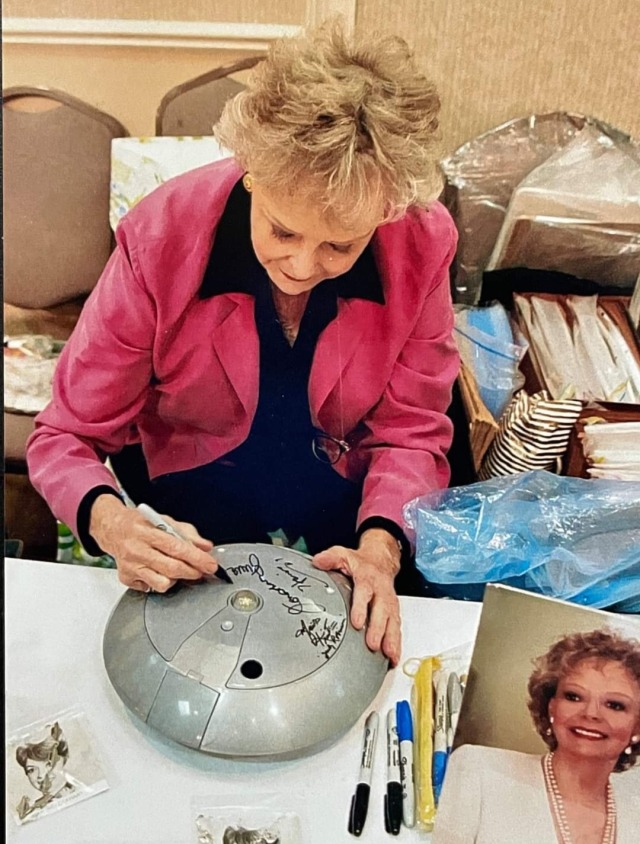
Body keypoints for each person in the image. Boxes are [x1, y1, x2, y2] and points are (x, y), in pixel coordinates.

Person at [26, 22, 459, 665]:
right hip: (190, 498)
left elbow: (410, 431)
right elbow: (66, 437)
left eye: (342, 244)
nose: (304, 265)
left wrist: (381, 547)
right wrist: (115, 525)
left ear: (387, 211)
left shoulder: (420, 241)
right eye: (283, 231)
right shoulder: (162, 236)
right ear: (252, 174)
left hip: (342, 500)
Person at [432, 629, 640, 843]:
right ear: (552, 707)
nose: (590, 713)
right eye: (574, 696)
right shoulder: (477, 769)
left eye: (615, 705)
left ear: (637, 728)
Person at [15, 722, 77, 821]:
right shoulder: (32, 812)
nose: (41, 775)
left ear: (63, 759)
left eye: (49, 765)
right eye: (31, 770)